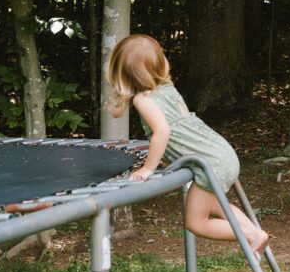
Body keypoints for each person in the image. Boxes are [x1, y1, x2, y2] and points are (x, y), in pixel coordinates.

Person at [106, 34, 269, 255]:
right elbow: (181, 131)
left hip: (210, 163)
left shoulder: (143, 100)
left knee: (196, 222)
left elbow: (163, 132)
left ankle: (252, 235)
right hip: (221, 153)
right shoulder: (167, 88)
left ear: (121, 73)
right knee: (215, 206)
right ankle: (254, 232)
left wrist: (148, 168)